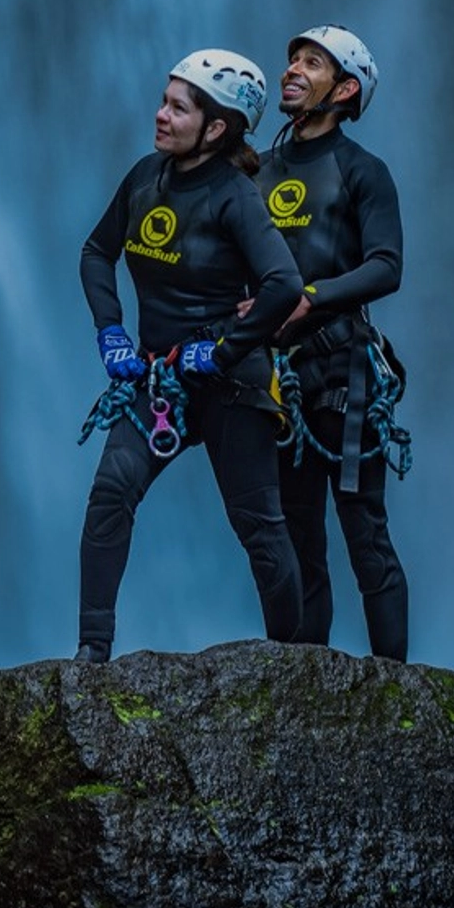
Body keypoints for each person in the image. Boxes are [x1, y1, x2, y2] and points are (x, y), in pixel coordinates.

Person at [75, 50, 306, 663]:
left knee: (259, 526)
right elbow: (97, 252)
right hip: (160, 380)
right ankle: (92, 655)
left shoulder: (235, 196)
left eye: (177, 107)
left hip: (231, 385)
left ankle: (294, 669)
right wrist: (111, 332)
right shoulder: (145, 177)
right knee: (110, 493)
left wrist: (225, 350)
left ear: (217, 127)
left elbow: (283, 282)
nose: (160, 114)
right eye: (164, 99)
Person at [252, 25, 409, 661]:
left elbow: (386, 266)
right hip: (275, 379)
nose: (291, 69)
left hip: (343, 375)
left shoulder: (363, 171)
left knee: (364, 532)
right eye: (292, 58)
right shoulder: (257, 171)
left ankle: (399, 695)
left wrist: (310, 298)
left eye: (311, 63)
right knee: (294, 539)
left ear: (344, 89)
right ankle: (302, 689)